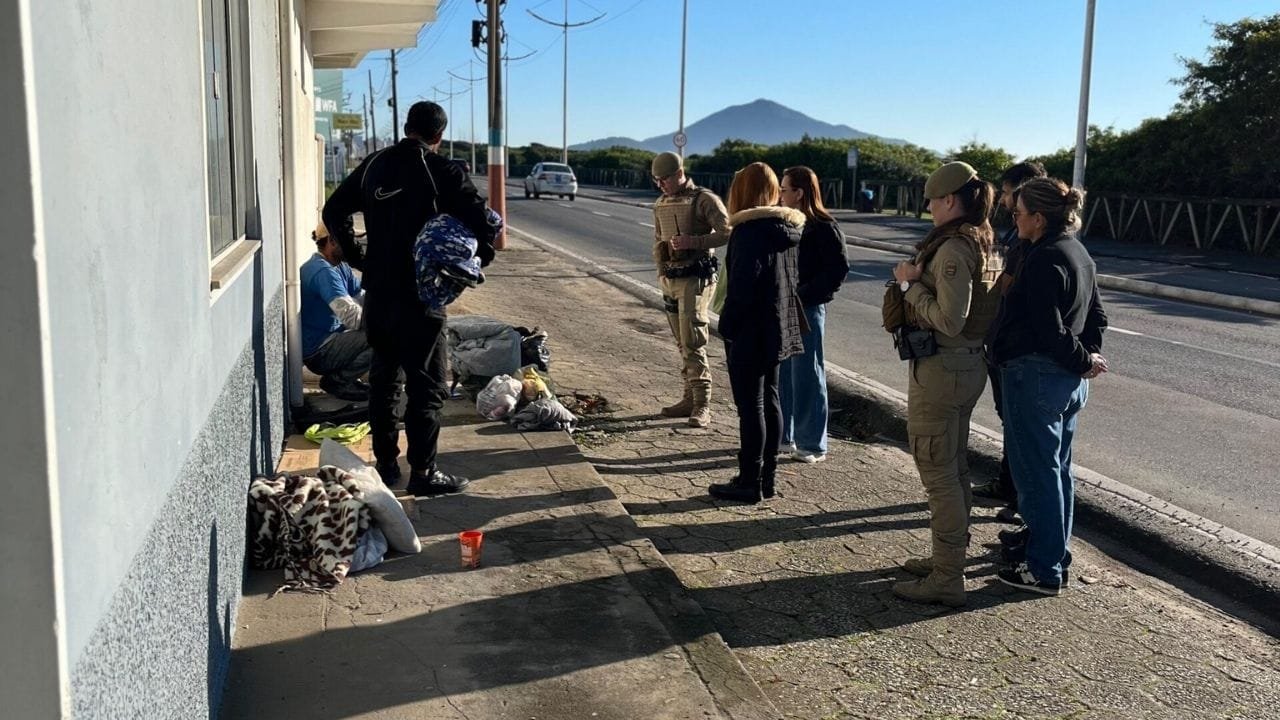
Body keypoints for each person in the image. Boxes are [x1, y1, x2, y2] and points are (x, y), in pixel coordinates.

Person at [323, 101, 497, 496]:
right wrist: (477, 258)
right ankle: (423, 473)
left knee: (384, 380)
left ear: (406, 126)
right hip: (422, 296)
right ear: (438, 135)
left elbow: (334, 208)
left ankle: (385, 465)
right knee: (426, 385)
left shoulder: (374, 164)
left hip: (379, 293)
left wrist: (356, 256)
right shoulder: (442, 171)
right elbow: (484, 223)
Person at [889, 161, 1002, 607]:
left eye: (933, 202)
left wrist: (909, 287)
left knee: (938, 471)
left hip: (944, 367)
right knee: (953, 468)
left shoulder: (954, 249)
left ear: (950, 201)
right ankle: (945, 558)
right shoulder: (985, 240)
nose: (930, 210)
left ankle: (947, 576)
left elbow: (950, 321)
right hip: (966, 366)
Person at [991, 177, 1108, 596]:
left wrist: (1081, 358)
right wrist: (1088, 358)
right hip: (1067, 381)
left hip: (1036, 376)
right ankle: (1053, 554)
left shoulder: (1042, 258)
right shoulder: (1077, 252)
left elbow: (1047, 328)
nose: (1013, 218)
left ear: (1038, 219)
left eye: (1018, 212)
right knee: (1058, 473)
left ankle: (1042, 570)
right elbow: (1097, 314)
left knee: (1037, 476)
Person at [709, 162, 807, 503]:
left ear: (742, 193)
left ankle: (749, 480)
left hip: (750, 330)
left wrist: (728, 326)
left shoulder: (749, 232)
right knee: (771, 401)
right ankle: (767, 479)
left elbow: (741, 287)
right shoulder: (786, 229)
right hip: (777, 327)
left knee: (750, 407)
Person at [973, 161, 1048, 526]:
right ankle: (1008, 484)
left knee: (1020, 426)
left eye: (1006, 193)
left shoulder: (1034, 244)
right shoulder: (1014, 235)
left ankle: (1021, 499)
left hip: (1015, 348)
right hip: (999, 341)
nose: (1003, 201)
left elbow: (1006, 288)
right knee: (1009, 421)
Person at [651, 151, 732, 428]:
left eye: (664, 179)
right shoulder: (661, 202)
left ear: (678, 174)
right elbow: (659, 240)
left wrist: (693, 242)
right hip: (671, 280)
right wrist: (661, 271)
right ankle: (688, 397)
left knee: (693, 341)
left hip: (695, 279)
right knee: (680, 342)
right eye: (656, 181)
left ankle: (702, 405)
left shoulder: (704, 200)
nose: (660, 185)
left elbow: (726, 231)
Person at [777, 167, 847, 463]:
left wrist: (803, 293)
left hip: (807, 308)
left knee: (807, 373)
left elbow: (837, 270)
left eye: (784, 189)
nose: (779, 195)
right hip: (783, 305)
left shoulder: (824, 226)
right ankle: (784, 435)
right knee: (783, 374)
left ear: (799, 193)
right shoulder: (786, 223)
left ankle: (812, 443)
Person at [301, 222, 372, 401]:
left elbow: (361, 296)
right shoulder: (322, 271)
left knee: (385, 330)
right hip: (320, 351)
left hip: (332, 340)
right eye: (347, 241)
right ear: (332, 241)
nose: (353, 245)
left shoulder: (339, 266)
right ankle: (338, 381)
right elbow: (352, 317)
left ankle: (346, 379)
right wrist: (387, 317)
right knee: (384, 337)